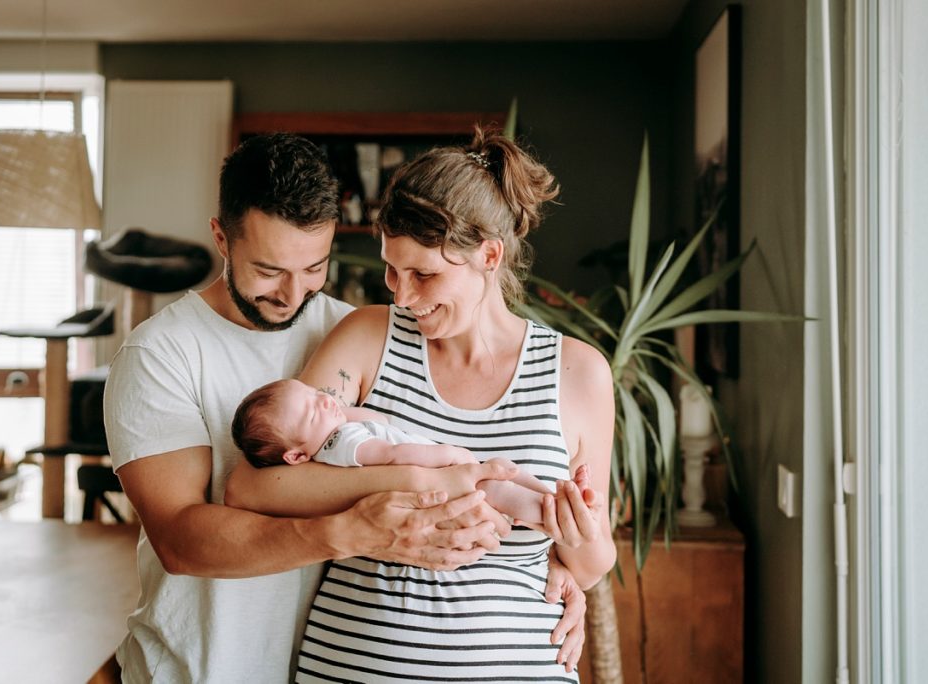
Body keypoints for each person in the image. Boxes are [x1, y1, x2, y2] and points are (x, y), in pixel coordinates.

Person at [103, 132, 586, 683]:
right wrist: (355, 529)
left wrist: (554, 569)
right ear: (221, 238)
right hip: (203, 670)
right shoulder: (160, 355)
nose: (291, 294)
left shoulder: (354, 331)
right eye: (267, 270)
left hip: (320, 665)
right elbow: (180, 541)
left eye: (314, 268)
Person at [226, 129, 618, 681]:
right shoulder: (368, 337)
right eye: (391, 268)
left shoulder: (580, 375)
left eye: (424, 274)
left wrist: (582, 547)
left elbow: (594, 562)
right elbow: (253, 487)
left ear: (489, 254)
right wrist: (418, 479)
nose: (402, 296)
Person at [230, 377, 584, 525]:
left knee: (504, 471)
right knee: (497, 486)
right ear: (296, 457)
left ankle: (558, 498)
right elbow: (392, 456)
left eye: (312, 392)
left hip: (455, 474)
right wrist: (448, 454)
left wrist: (337, 413)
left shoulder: (337, 433)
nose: (323, 400)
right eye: (311, 411)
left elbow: (373, 417)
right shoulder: (345, 445)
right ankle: (549, 513)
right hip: (448, 479)